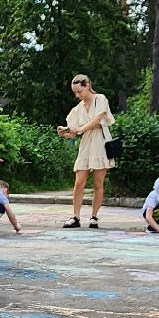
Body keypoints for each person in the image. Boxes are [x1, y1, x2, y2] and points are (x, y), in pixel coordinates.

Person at [59, 73, 115, 228]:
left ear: (87, 85)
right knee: (79, 182)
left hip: (100, 142)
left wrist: (79, 129)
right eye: (75, 92)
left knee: (98, 182)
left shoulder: (100, 99)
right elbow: (73, 133)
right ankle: (75, 216)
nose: (77, 95)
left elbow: (97, 121)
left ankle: (94, 216)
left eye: (79, 91)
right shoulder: (77, 109)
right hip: (86, 144)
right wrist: (64, 132)